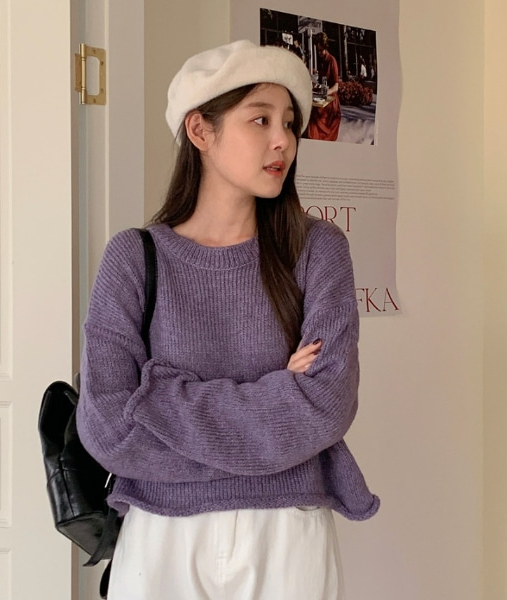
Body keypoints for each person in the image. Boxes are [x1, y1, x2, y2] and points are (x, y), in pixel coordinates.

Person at [77, 39, 379, 600]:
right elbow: (108, 429)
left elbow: (327, 404)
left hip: (286, 534)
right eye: (260, 119)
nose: (282, 140)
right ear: (200, 131)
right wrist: (279, 393)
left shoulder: (318, 250)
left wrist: (158, 396)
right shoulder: (134, 258)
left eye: (289, 123)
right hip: (161, 534)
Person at [306, 32, 342, 142]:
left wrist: (327, 92)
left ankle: (314, 138)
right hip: (323, 96)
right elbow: (322, 81)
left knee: (316, 113)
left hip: (331, 100)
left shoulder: (332, 61)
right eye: (318, 50)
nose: (319, 53)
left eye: (321, 50)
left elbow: (336, 86)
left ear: (325, 47)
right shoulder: (322, 61)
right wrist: (315, 85)